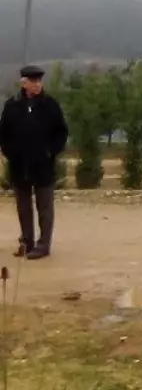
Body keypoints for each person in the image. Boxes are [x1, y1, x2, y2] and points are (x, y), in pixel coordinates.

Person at [0, 65, 69, 260]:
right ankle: (26, 241)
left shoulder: (50, 105)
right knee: (23, 206)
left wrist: (50, 152)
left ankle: (43, 244)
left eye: (39, 81)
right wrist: (10, 153)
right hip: (19, 166)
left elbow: (61, 132)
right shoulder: (11, 106)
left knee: (45, 206)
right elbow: (3, 134)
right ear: (24, 83)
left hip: (43, 166)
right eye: (33, 81)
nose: (37, 84)